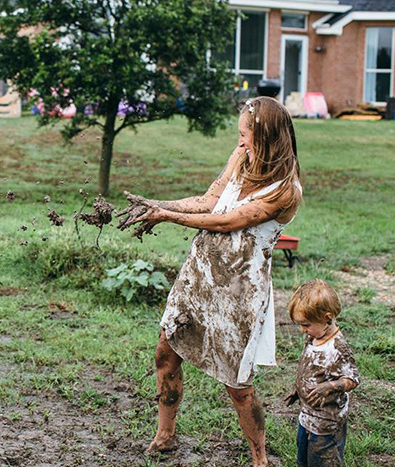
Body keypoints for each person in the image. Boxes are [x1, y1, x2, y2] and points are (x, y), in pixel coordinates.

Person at [118, 96, 302, 466]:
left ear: (265, 136)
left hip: (239, 290)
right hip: (200, 276)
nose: (239, 143)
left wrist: (168, 216)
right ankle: (165, 436)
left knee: (238, 386)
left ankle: (259, 458)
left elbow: (229, 221)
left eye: (244, 135)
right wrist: (157, 205)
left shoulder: (286, 189)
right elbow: (209, 202)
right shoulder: (241, 161)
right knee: (166, 353)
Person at [285, 280, 359, 467]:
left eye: (306, 324)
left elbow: (352, 379)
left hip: (327, 424)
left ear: (327, 318)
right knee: (303, 460)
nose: (303, 330)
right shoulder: (312, 338)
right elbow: (309, 367)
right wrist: (299, 390)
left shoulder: (338, 348)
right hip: (307, 416)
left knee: (324, 461)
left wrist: (330, 386)